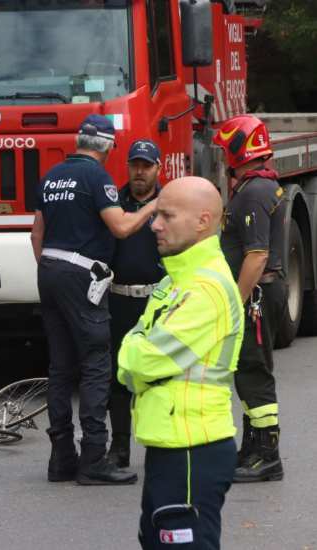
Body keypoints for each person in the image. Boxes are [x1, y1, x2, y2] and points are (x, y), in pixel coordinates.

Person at [30, 114, 158, 485]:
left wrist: (53, 271)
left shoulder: (52, 176)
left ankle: (61, 459)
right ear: (108, 147)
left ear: (79, 140)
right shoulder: (96, 177)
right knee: (97, 361)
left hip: (49, 270)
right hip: (80, 274)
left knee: (60, 366)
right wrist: (150, 207)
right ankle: (93, 459)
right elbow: (120, 226)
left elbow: (36, 234)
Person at [118, 176, 244, 550]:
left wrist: (134, 350)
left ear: (203, 221)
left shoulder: (205, 290)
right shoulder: (176, 280)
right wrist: (134, 350)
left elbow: (138, 360)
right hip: (172, 443)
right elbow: (132, 354)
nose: (154, 225)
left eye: (166, 216)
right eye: (156, 215)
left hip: (192, 447)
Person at [213, 114, 286, 482]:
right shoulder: (257, 188)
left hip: (254, 295)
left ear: (240, 146)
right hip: (259, 293)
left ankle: (267, 455)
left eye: (227, 147)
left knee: (254, 373)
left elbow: (256, 255)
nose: (224, 154)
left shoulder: (254, 193)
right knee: (246, 372)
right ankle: (253, 447)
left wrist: (236, 302)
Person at [107, 139, 164, 468]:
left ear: (158, 168)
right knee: (118, 377)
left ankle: (159, 448)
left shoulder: (170, 202)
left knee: (158, 377)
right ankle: (119, 448)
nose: (139, 172)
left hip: (157, 302)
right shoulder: (113, 202)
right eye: (135, 165)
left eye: (146, 165)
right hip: (120, 300)